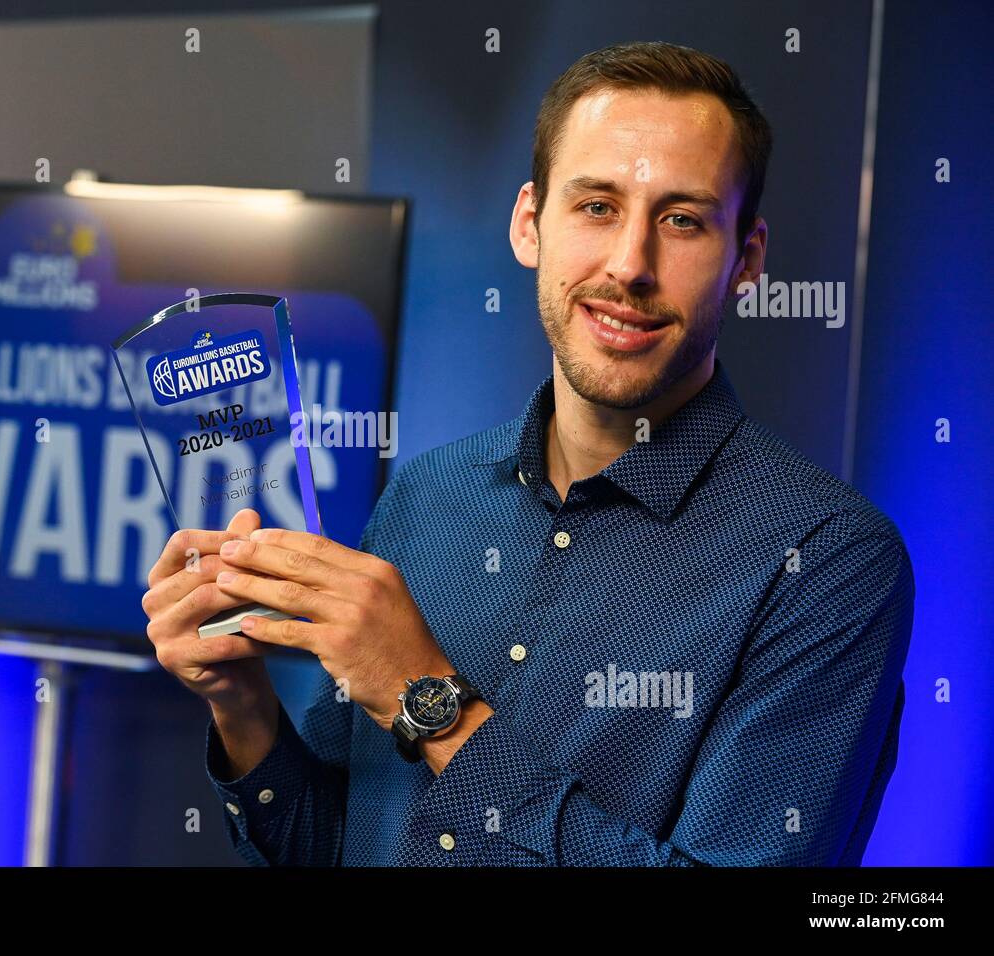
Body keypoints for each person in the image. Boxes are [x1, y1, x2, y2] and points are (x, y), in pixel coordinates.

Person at [141, 41, 914, 866]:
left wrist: (426, 700)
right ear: (528, 224)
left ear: (746, 263)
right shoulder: (427, 497)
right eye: (596, 206)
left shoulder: (826, 561)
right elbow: (332, 848)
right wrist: (242, 705)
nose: (630, 266)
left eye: (682, 220)